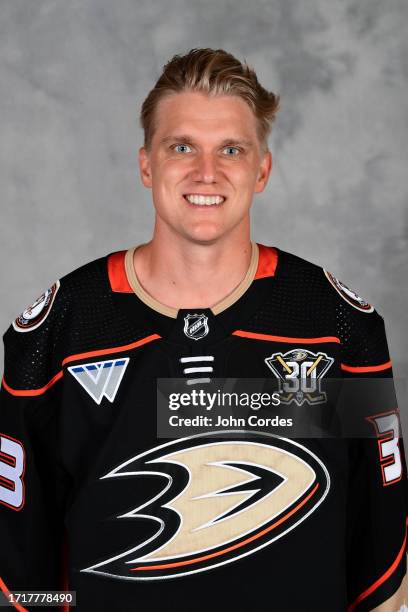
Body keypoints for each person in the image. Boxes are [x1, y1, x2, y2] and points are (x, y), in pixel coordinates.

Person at [0, 47, 406, 611]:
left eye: (231, 150)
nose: (206, 173)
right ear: (147, 163)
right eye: (181, 146)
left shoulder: (335, 325)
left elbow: (382, 553)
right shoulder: (60, 327)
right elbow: (19, 568)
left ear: (261, 169)